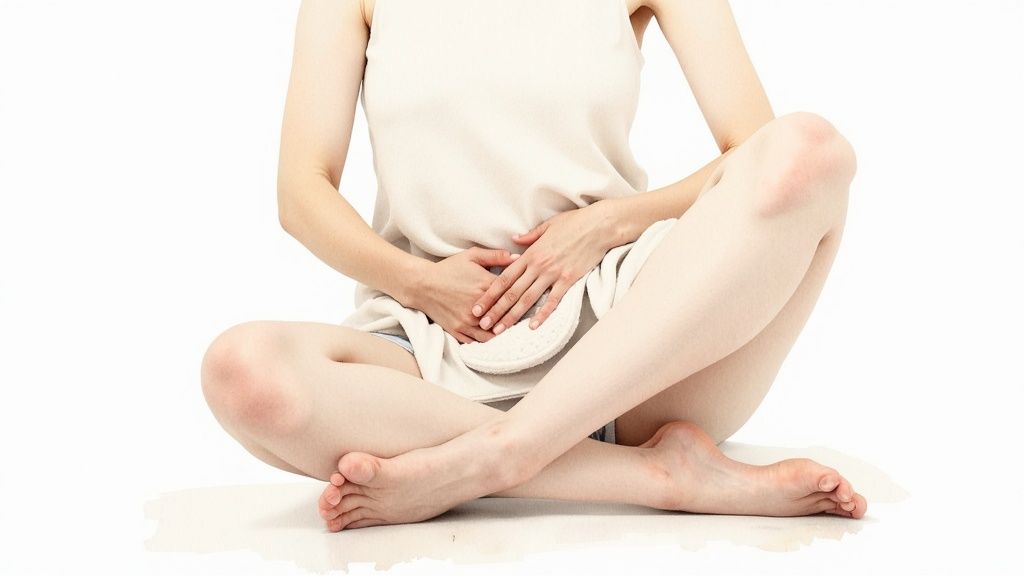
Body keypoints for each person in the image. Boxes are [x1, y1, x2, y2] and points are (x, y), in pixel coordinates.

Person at [201, 0, 867, 532]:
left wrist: (609, 223)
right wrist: (419, 283)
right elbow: (302, 192)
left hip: (632, 350)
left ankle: (499, 455)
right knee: (244, 371)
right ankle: (658, 475)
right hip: (432, 354)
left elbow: (749, 149)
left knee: (809, 151)